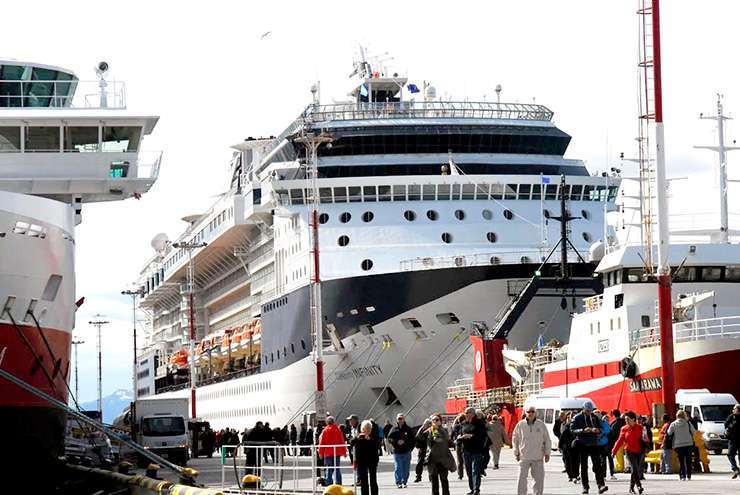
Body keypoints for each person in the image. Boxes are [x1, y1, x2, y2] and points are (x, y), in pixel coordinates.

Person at [571, 400, 608, 494]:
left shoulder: (594, 417)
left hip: (594, 444)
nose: (589, 412)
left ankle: (601, 485)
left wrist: (597, 430)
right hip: (583, 444)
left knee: (597, 465)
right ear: (583, 409)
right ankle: (585, 487)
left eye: (590, 410)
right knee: (584, 467)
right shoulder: (577, 418)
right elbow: (572, 430)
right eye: (587, 410)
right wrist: (583, 430)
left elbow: (601, 428)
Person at [512, 405, 551, 495]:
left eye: (532, 411)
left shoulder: (541, 424)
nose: (530, 413)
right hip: (524, 456)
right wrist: (516, 452)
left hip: (538, 457)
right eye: (528, 412)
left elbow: (547, 440)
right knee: (521, 479)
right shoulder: (520, 425)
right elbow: (515, 439)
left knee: (538, 480)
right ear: (525, 413)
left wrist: (547, 453)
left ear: (535, 413)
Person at [612, 411, 646, 494]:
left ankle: (631, 488)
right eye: (625, 419)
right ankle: (639, 486)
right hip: (629, 451)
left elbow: (645, 439)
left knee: (635, 470)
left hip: (639, 451)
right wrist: (614, 451)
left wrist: (646, 444)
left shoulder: (640, 427)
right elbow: (619, 441)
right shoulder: (624, 429)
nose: (626, 421)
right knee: (634, 468)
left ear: (633, 419)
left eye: (628, 419)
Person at [459, 407, 487, 495]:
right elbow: (459, 434)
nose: (465, 414)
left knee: (475, 470)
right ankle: (472, 488)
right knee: (468, 470)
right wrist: (460, 438)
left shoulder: (479, 423)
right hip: (466, 450)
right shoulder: (463, 423)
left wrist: (471, 436)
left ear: (472, 413)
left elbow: (483, 436)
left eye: (467, 412)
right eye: (465, 413)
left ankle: (476, 489)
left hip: (476, 450)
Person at [424, 414, 455, 495]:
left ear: (441, 421)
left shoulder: (443, 430)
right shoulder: (429, 431)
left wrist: (436, 429)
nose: (435, 421)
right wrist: (423, 426)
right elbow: (418, 437)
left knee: (444, 480)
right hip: (432, 459)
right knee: (434, 481)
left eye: (437, 420)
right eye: (433, 420)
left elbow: (442, 440)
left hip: (443, 459)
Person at [351, 420, 380, 495]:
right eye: (365, 429)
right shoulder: (359, 436)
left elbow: (377, 445)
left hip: (372, 461)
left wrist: (369, 439)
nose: (367, 431)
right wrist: (357, 437)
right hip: (361, 461)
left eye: (369, 429)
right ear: (362, 429)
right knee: (363, 481)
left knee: (373, 480)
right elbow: (351, 443)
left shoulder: (374, 436)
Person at [667, 409, 696, 481]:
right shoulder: (688, 423)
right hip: (688, 444)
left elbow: (669, 433)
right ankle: (689, 475)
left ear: (677, 416)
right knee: (688, 460)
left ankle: (682, 476)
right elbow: (694, 432)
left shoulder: (673, 424)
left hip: (678, 445)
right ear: (684, 415)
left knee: (681, 461)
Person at [318, 416, 347, 486]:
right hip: (336, 452)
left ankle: (329, 482)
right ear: (333, 422)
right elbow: (341, 441)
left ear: (327, 422)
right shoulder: (338, 430)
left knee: (329, 468)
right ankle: (338, 482)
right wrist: (344, 452)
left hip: (328, 453)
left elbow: (322, 443)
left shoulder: (325, 430)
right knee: (337, 468)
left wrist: (320, 453)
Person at [388, 413, 415, 488]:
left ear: (404, 419)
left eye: (401, 418)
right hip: (397, 452)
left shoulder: (408, 429)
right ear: (397, 420)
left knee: (406, 468)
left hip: (406, 451)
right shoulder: (394, 428)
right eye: (399, 419)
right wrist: (396, 442)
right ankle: (398, 482)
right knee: (398, 467)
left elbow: (413, 439)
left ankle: (404, 481)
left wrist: (409, 447)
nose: (400, 420)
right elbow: (389, 438)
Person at [559, 411, 580, 483]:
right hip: (568, 447)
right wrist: (560, 446)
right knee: (569, 462)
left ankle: (575, 475)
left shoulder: (575, 426)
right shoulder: (567, 426)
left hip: (574, 447)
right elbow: (562, 437)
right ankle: (572, 475)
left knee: (575, 462)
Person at [594, 411, 611, 484]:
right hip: (595, 444)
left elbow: (608, 430)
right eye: (596, 416)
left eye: (598, 416)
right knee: (596, 460)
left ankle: (603, 475)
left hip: (603, 443)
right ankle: (597, 472)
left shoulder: (604, 422)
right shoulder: (592, 422)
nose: (597, 417)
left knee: (603, 460)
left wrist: (601, 433)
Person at [725, 404, 740, 479]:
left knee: (730, 455)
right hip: (734, 440)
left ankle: (735, 469)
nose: (733, 410)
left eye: (734, 409)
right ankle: (736, 470)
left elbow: (725, 425)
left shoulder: (731, 417)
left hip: (733, 440)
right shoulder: (731, 416)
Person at [451, 413, 466, 480]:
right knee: (467, 460)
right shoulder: (466, 425)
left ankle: (460, 475)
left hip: (458, 444)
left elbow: (451, 436)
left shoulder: (455, 426)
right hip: (466, 444)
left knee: (459, 461)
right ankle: (470, 473)